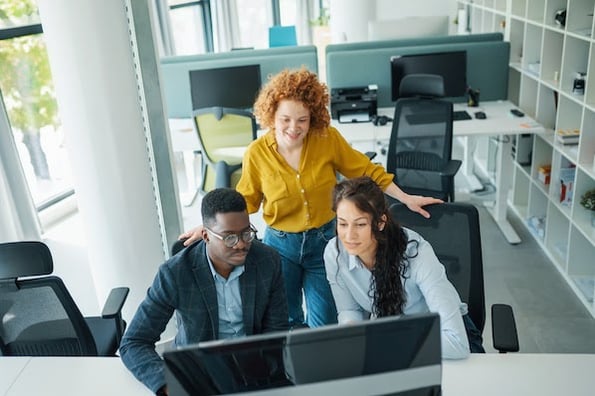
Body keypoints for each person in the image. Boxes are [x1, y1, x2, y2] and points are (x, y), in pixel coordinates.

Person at [180, 68, 442, 328]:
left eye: (302, 120)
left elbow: (367, 170)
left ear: (312, 117)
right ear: (271, 115)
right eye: (285, 119)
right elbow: (245, 201)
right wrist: (212, 227)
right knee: (286, 319)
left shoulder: (326, 139)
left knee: (324, 321)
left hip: (324, 243)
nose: (293, 128)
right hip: (280, 247)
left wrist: (405, 197)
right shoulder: (257, 153)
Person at [120, 188, 289, 395]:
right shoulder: (175, 273)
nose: (242, 244)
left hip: (255, 368)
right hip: (200, 373)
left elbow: (276, 331)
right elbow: (134, 342)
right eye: (230, 238)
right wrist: (167, 385)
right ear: (206, 236)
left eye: (246, 233)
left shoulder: (267, 261)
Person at [324, 176, 474, 359]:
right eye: (342, 223)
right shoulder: (334, 253)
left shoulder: (417, 254)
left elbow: (457, 343)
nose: (349, 235)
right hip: (394, 339)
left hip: (442, 340)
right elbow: (350, 310)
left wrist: (388, 341)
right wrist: (352, 333)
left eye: (360, 224)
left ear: (380, 223)